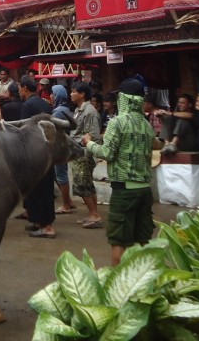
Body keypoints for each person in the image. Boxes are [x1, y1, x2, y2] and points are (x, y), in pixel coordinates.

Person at [82, 79, 158, 266]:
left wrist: (89, 143)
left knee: (119, 241)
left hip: (124, 191)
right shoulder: (147, 126)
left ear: (123, 99)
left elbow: (107, 153)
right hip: (145, 190)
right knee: (142, 241)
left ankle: (118, 289)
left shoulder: (118, 123)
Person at [20, 74, 58, 239]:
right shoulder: (44, 103)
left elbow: (25, 131)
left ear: (25, 88)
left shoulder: (28, 105)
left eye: (20, 88)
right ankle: (38, 222)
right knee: (42, 189)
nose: (19, 91)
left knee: (38, 189)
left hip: (34, 154)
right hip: (47, 152)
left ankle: (47, 226)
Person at [69, 82, 103, 229]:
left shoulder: (89, 111)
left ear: (82, 94)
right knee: (87, 184)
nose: (71, 94)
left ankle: (95, 215)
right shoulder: (78, 109)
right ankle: (93, 213)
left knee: (83, 184)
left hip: (84, 153)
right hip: (79, 151)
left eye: (74, 91)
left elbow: (93, 134)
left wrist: (86, 151)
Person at [51, 83, 76, 215]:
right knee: (58, 174)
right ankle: (69, 201)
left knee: (61, 175)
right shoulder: (63, 109)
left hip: (61, 146)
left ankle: (66, 204)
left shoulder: (60, 111)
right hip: (61, 145)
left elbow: (52, 127)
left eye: (53, 94)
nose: (51, 96)